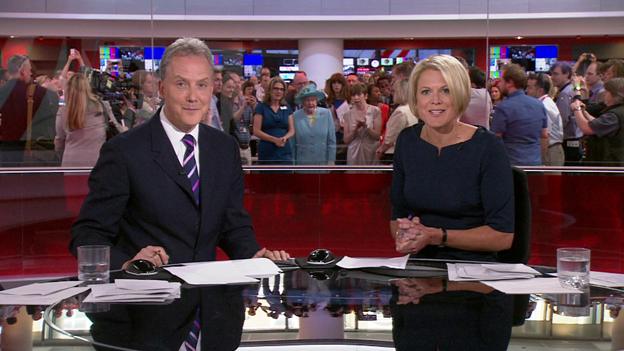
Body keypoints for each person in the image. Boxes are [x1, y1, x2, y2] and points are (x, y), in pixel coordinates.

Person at [70, 37, 289, 270]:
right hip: (148, 298)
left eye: (202, 85)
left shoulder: (224, 148)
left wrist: (254, 256)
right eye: (182, 84)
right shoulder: (124, 151)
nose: (193, 97)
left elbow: (232, 223)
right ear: (163, 89)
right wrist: (127, 264)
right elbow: (87, 235)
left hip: (209, 299)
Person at [390, 55, 514, 262]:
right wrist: (406, 234)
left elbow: (502, 237)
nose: (435, 100)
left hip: (476, 274)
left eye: (445, 90)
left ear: (460, 94)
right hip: (420, 267)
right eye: (426, 92)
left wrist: (436, 236)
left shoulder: (488, 147)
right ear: (415, 98)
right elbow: (397, 217)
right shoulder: (407, 141)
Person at [0, 55, 59, 166]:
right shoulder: (39, 93)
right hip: (30, 151)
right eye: (29, 70)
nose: (31, 73)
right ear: (22, 71)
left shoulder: (2, 91)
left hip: (5, 152)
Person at [54, 73, 122, 167]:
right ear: (88, 88)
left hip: (70, 165)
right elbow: (117, 129)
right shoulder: (102, 107)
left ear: (68, 90)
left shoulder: (62, 111)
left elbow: (59, 141)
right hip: (97, 164)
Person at [491, 63, 548, 166]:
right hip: (535, 164)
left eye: (501, 81)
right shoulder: (539, 105)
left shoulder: (503, 108)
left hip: (511, 166)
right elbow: (544, 135)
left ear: (510, 83)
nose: (499, 84)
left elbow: (495, 140)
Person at [571, 77, 624, 166]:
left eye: (607, 92)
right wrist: (585, 112)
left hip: (610, 166)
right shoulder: (618, 111)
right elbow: (599, 125)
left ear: (615, 95)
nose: (604, 95)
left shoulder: (614, 115)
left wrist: (577, 109)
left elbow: (586, 128)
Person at [291, 84, 336, 166]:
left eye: (313, 100)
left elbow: (332, 140)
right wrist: (293, 164)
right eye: (307, 100)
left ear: (317, 101)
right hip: (302, 163)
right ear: (302, 102)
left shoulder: (326, 114)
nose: (310, 103)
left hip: (322, 162)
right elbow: (292, 143)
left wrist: (331, 160)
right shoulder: (295, 116)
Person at [253, 76, 295, 164]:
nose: (278, 91)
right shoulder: (261, 107)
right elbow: (256, 131)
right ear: (270, 90)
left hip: (284, 150)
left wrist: (284, 138)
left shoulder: (287, 107)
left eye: (281, 89)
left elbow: (292, 130)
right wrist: (274, 140)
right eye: (275, 88)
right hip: (267, 150)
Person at [376, 78, 418, 163]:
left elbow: (390, 139)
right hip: (408, 151)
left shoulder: (400, 112)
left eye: (394, 91)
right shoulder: (411, 108)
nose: (392, 93)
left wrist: (381, 150)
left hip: (393, 153)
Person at [343, 83, 381, 165]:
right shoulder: (347, 115)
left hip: (371, 151)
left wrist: (366, 127)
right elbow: (346, 140)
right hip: (353, 153)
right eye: (353, 95)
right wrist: (355, 130)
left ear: (365, 96)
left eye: (359, 94)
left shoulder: (375, 111)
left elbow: (377, 136)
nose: (356, 97)